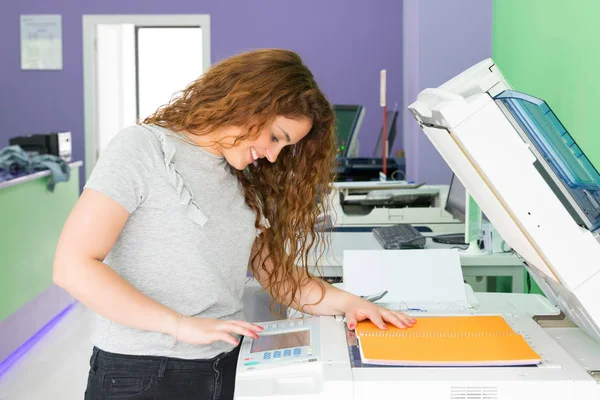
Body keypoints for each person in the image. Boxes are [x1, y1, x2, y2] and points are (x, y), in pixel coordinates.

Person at [53, 48, 415, 399]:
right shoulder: (142, 149)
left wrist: (351, 304)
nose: (273, 154)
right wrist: (180, 325)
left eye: (284, 147)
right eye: (275, 137)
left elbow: (278, 276)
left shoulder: (243, 174)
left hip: (225, 364)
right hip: (142, 372)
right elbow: (73, 267)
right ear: (245, 103)